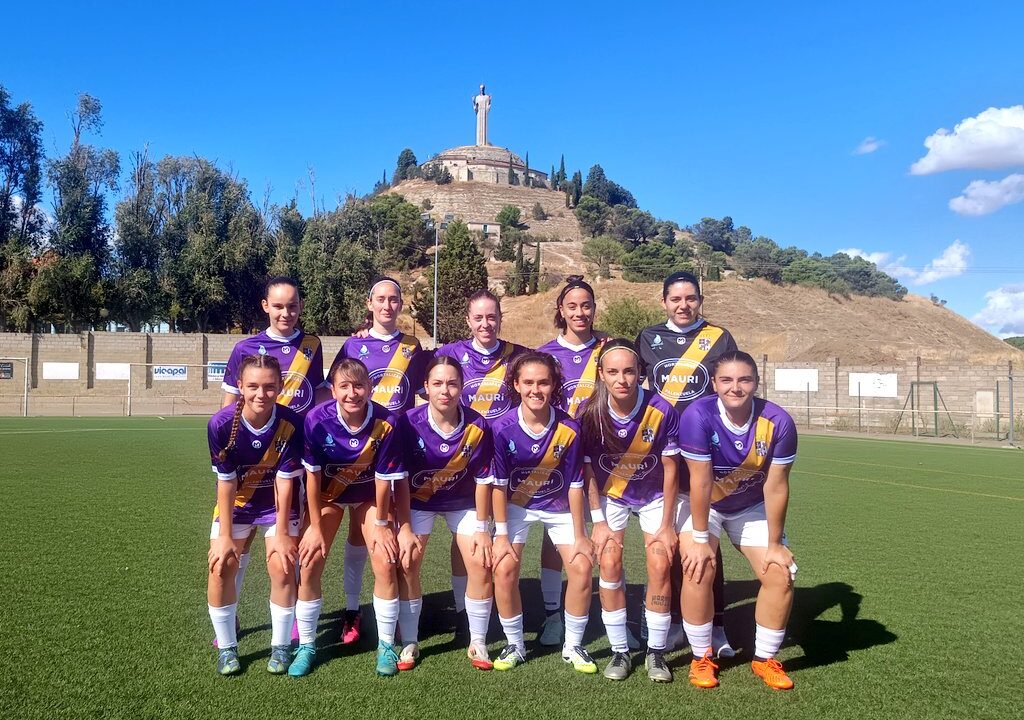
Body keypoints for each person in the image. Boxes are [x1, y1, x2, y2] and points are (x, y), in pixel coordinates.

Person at [216, 276, 329, 644]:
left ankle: (294, 617)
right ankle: (229, 619)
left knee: (289, 543)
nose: (286, 313)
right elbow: (229, 406)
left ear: (300, 307)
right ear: (266, 306)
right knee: (240, 541)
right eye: (278, 306)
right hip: (251, 461)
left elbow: (318, 397)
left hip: (295, 456)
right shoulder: (246, 347)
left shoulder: (312, 345)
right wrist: (231, 454)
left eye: (292, 305)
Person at [678, 350, 799, 690]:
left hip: (748, 507)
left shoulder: (778, 422)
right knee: (697, 567)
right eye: (727, 380)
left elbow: (776, 486)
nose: (736, 387)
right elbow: (700, 482)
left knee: (781, 573)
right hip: (702, 504)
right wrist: (700, 540)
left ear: (757, 383)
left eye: (744, 379)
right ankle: (702, 657)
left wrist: (775, 545)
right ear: (714, 383)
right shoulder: (697, 415)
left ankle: (765, 659)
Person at [291, 357, 417, 678]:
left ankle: (385, 645)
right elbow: (314, 477)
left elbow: (384, 478)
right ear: (332, 390)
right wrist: (315, 527)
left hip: (367, 497)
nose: (352, 393)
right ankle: (307, 645)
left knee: (387, 560)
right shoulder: (316, 420)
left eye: (359, 385)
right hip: (328, 496)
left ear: (370, 388)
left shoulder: (387, 421)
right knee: (309, 561)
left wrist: (383, 524)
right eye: (344, 386)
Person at [635, 270, 739, 656]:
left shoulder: (719, 337)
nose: (683, 305)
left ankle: (717, 626)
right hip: (663, 453)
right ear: (663, 301)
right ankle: (679, 621)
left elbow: (730, 387)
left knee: (705, 538)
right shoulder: (647, 337)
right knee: (674, 541)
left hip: (706, 452)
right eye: (675, 299)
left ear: (700, 300)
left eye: (690, 298)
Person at [331, 277, 428, 646]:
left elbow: (424, 392)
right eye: (381, 300)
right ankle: (352, 610)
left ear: (400, 305)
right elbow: (335, 389)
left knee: (391, 537)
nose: (387, 306)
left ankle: (401, 614)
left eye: (394, 300)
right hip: (355, 454)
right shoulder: (354, 344)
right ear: (369, 303)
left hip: (396, 452)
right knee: (358, 535)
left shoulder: (413, 346)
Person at [578, 339, 682, 682]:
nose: (621, 379)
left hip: (653, 496)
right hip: (613, 496)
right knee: (608, 561)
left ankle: (656, 652)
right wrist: (598, 520)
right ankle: (620, 650)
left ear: (640, 373)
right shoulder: (590, 412)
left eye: (629, 371)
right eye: (613, 372)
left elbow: (670, 470)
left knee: (660, 562)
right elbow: (589, 470)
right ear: (602, 375)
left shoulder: (662, 409)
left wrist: (667, 524)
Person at [489, 352, 596, 673]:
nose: (536, 389)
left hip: (559, 506)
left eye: (544, 382)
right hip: (516, 506)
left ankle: (573, 646)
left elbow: (576, 485)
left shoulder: (570, 428)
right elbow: (498, 485)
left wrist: (581, 535)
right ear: (516, 385)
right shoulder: (500, 428)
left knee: (581, 566)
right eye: (529, 382)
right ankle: (515, 644)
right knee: (504, 568)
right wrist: (502, 535)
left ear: (554, 385)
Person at [434, 289, 528, 640]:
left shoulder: (517, 355)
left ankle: (478, 612)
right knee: (470, 536)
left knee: (482, 535)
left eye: (492, 317)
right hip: (461, 457)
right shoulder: (449, 354)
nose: (485, 323)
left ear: (500, 318)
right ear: (468, 321)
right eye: (479, 318)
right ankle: (463, 610)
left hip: (502, 457)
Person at [394, 356, 496, 671]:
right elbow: (398, 480)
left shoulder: (478, 424)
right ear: (425, 387)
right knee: (408, 559)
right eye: (437, 383)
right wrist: (405, 527)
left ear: (462, 387)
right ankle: (410, 639)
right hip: (419, 502)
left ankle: (477, 640)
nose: (445, 390)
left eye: (452, 383)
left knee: (481, 560)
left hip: (463, 502)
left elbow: (483, 481)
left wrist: (482, 527)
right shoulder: (407, 422)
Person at [206, 354, 304, 676]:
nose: (261, 394)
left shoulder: (290, 423)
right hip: (238, 504)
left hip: (276, 504)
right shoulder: (220, 425)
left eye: (269, 387)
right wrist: (224, 537)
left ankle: (280, 646)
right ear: (240, 386)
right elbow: (227, 482)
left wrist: (283, 533)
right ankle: (227, 648)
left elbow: (284, 481)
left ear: (280, 387)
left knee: (283, 563)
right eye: (252, 386)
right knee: (221, 567)